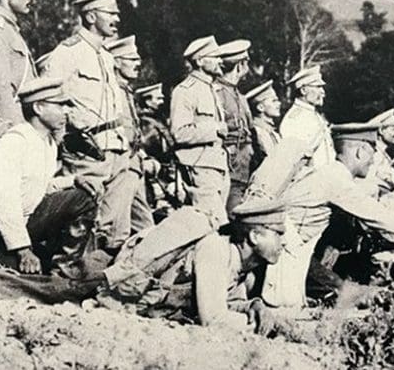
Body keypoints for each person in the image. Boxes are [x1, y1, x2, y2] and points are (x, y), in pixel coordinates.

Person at [256, 122, 394, 308]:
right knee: (310, 304)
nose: (373, 161)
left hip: (290, 249)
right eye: (373, 152)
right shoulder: (336, 180)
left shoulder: (331, 174)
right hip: (285, 253)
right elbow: (377, 215)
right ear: (360, 151)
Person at [0, 77, 97, 275]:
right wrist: (23, 250)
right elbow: (4, 202)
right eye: (60, 105)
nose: (66, 111)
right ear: (39, 108)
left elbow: (37, 186)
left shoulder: (47, 142)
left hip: (23, 225)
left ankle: (65, 272)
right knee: (15, 280)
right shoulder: (15, 142)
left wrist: (72, 181)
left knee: (81, 198)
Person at [99, 199, 287, 332]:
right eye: (277, 234)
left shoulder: (240, 265)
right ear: (254, 236)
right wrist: (252, 323)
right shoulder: (215, 249)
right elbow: (213, 320)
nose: (283, 242)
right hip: (127, 310)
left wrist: (253, 307)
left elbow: (227, 302)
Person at [43, 0, 132, 252]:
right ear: (91, 16)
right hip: (86, 150)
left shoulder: (105, 56)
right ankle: (67, 275)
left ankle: (97, 276)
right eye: (110, 13)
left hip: (115, 147)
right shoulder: (66, 53)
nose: (117, 17)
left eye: (117, 12)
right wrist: (64, 144)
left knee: (113, 224)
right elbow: (51, 101)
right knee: (80, 223)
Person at [169, 36, 230, 224]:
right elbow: (179, 132)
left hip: (217, 166)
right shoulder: (185, 90)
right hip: (199, 168)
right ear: (200, 61)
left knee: (213, 225)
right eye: (215, 56)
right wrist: (215, 128)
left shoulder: (211, 89)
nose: (221, 61)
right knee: (215, 224)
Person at [104, 35, 155, 237]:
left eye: (137, 59)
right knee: (118, 230)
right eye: (131, 59)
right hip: (121, 166)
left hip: (134, 166)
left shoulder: (126, 91)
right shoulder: (111, 91)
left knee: (146, 228)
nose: (138, 64)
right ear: (116, 62)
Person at [213, 39, 255, 213]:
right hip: (231, 164)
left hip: (243, 163)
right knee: (232, 211)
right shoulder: (218, 92)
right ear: (239, 66)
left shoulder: (238, 94)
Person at [279, 65, 335, 167]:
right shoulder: (294, 119)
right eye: (318, 87)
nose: (323, 92)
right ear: (303, 90)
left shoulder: (315, 115)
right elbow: (294, 159)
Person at [359, 108, 394, 198]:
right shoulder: (375, 155)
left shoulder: (384, 155)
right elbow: (368, 181)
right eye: (393, 129)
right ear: (381, 131)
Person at [245, 80, 281, 171]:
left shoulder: (273, 133)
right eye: (274, 101)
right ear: (260, 107)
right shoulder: (255, 133)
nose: (279, 103)